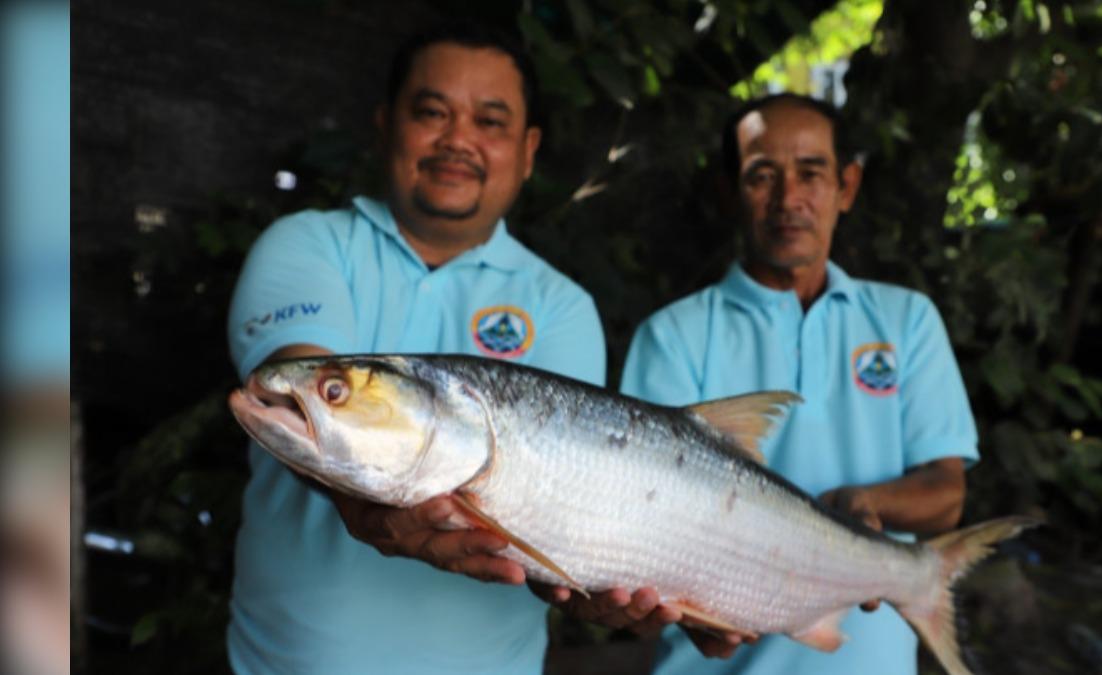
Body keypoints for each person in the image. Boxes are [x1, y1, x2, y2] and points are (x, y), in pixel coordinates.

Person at [224, 22, 607, 674]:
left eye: (490, 121)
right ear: (385, 124)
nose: (458, 139)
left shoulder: (564, 306)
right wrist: (363, 503)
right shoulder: (307, 244)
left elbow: (551, 512)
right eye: (432, 112)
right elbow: (298, 392)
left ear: (528, 148)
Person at [619, 93, 976, 674]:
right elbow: (645, 520)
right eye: (763, 175)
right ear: (730, 192)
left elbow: (946, 492)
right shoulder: (673, 334)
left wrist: (867, 502)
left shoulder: (906, 320)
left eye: (811, 172)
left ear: (847, 187)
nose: (789, 199)